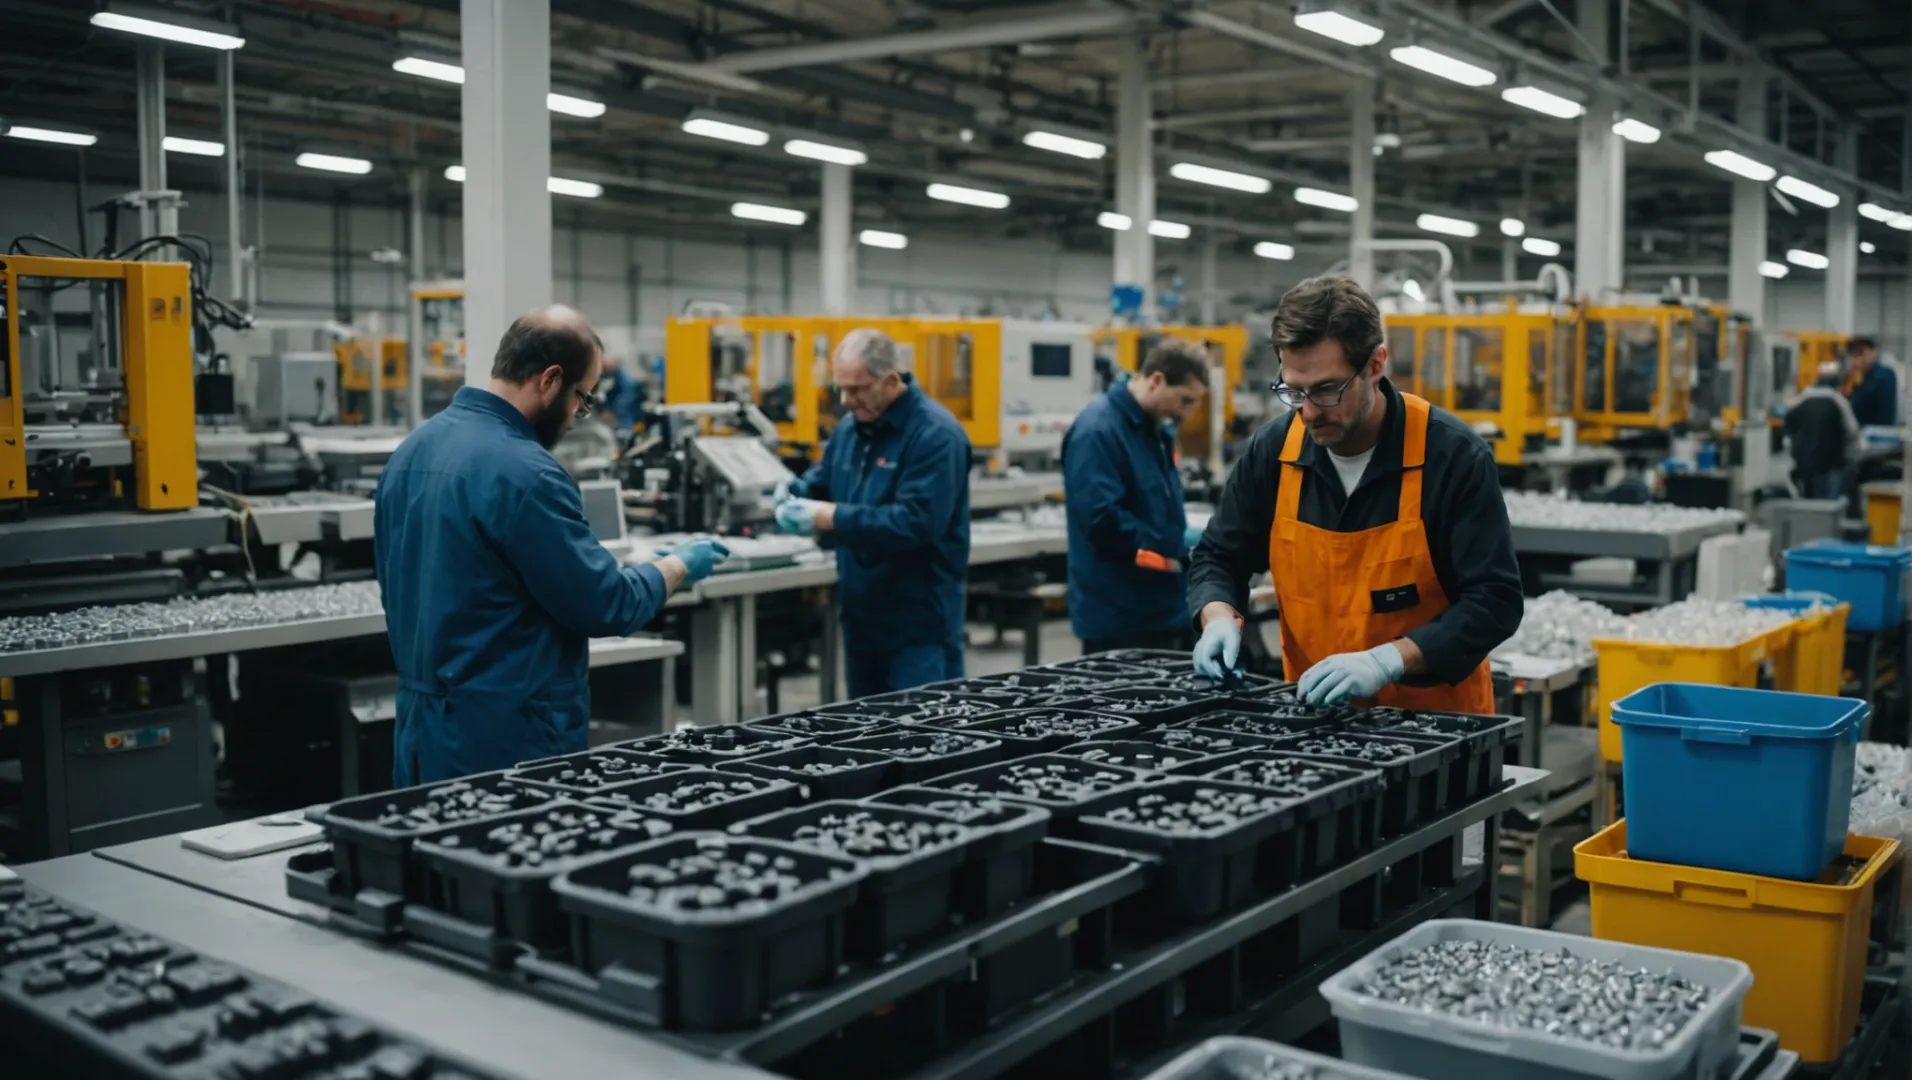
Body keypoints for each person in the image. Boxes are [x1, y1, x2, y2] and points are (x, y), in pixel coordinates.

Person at [375, 306, 729, 785]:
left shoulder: (411, 452)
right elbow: (606, 604)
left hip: (421, 731)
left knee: (428, 853)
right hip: (505, 741)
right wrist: (677, 566)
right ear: (550, 380)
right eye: (580, 400)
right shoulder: (527, 473)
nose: (576, 417)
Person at [1188, 276, 1522, 710]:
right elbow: (1219, 555)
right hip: (1316, 723)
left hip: (1436, 733)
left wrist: (1389, 660)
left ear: (1376, 365)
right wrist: (1217, 617)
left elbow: (1494, 601)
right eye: (1293, 390)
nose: (1307, 411)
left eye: (1327, 389)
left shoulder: (1451, 457)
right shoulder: (1273, 452)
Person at [774, 328, 972, 697]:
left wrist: (828, 516)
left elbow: (916, 522)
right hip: (863, 621)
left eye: (857, 389)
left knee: (925, 736)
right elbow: (826, 478)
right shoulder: (851, 428)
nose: (846, 401)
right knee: (867, 738)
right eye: (841, 389)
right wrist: (798, 488)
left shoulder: (935, 435)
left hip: (919, 626)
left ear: (891, 382)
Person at [1062, 338, 1210, 654]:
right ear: (1156, 381)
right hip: (1121, 615)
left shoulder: (1153, 428)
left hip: (1162, 608)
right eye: (1184, 400)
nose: (1187, 413)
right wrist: (1168, 554)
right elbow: (1103, 520)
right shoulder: (1098, 431)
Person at [1785, 361, 1860, 500]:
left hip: (1804, 467)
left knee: (1809, 506)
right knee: (1829, 508)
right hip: (1831, 466)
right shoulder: (1838, 401)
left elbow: (1788, 428)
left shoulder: (1801, 400)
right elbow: (1853, 431)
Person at [1845, 336, 1900, 428]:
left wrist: (1858, 385)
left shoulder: (1883, 376)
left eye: (1859, 354)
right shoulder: (1858, 376)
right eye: (1853, 355)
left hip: (1878, 434)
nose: (1855, 360)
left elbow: (1885, 416)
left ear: (1871, 353)